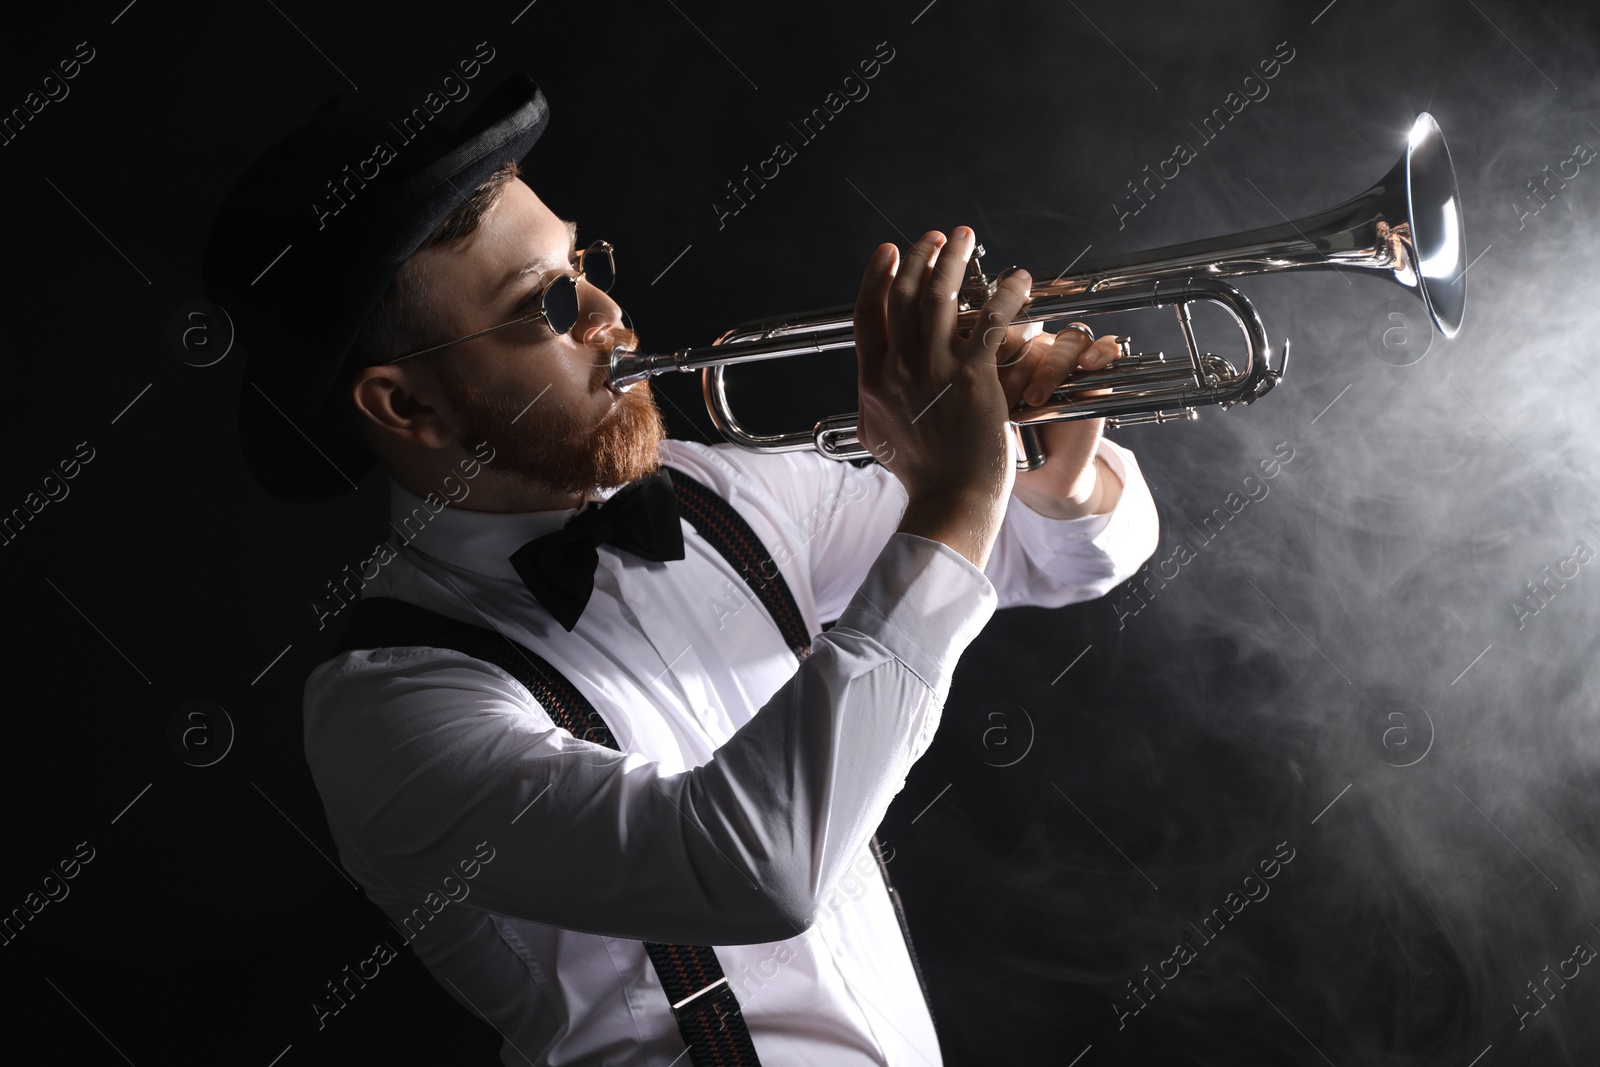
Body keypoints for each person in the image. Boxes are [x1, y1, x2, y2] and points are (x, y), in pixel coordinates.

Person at [205, 73, 1158, 1066]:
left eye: (583, 264)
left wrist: (1052, 450)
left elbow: (1053, 555)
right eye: (549, 302)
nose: (611, 315)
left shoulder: (714, 491)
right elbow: (754, 867)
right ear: (407, 408)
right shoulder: (388, 712)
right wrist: (956, 489)